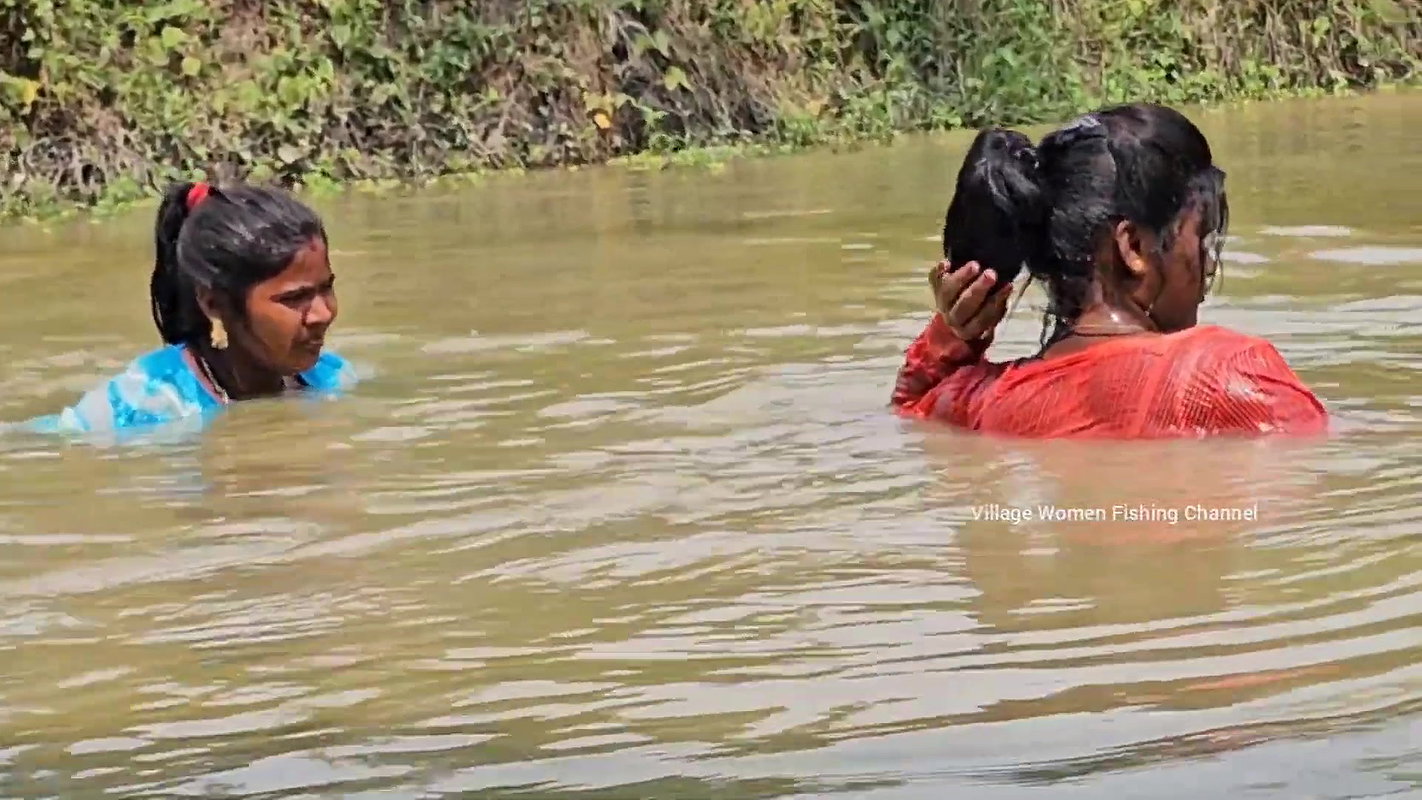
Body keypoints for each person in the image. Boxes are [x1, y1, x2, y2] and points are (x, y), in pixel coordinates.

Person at [892, 103, 1328, 438]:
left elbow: (910, 408)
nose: (1207, 264)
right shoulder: (1227, 374)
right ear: (1134, 247)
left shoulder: (986, 403)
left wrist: (952, 336)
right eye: (1200, 237)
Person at [28, 181, 356, 435]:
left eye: (326, 288)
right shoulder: (140, 407)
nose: (323, 314)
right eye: (294, 298)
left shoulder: (330, 378)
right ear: (214, 303)